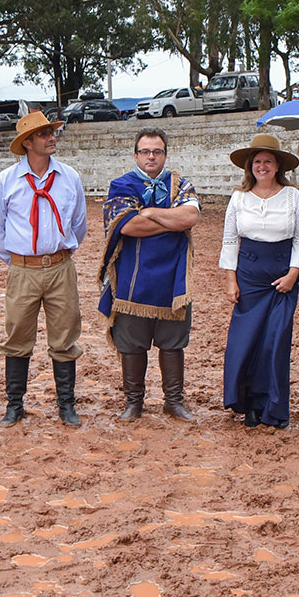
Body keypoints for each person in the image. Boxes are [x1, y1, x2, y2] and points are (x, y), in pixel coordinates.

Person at [0, 110, 89, 427]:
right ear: (27, 142)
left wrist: (59, 252)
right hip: (22, 269)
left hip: (60, 267)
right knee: (17, 335)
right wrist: (20, 261)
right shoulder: (5, 181)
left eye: (52, 132)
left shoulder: (70, 177)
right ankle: (14, 405)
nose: (52, 138)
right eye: (44, 134)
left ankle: (66, 405)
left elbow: (79, 224)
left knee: (65, 336)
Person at [98, 128, 200, 422]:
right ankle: (134, 402)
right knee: (132, 342)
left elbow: (191, 217)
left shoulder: (181, 184)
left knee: (172, 342)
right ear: (136, 155)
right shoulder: (121, 185)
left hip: (174, 278)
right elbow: (127, 227)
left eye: (157, 151)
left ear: (165, 155)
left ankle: (174, 401)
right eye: (145, 151)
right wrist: (171, 220)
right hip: (132, 279)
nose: (151, 156)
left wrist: (146, 213)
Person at [220, 133, 299, 429]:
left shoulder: (292, 196)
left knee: (275, 342)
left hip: (282, 278)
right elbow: (230, 241)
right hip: (248, 277)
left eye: (268, 161)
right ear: (250, 166)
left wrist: (293, 275)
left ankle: (273, 407)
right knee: (245, 342)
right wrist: (231, 281)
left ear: (277, 166)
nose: (262, 166)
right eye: (257, 161)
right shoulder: (239, 198)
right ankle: (249, 406)